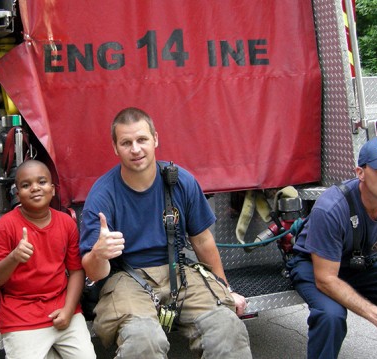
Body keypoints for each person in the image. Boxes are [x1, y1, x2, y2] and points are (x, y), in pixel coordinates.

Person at [79, 107, 252, 358]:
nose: (136, 149)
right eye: (126, 143)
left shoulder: (181, 181)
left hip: (178, 269)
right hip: (125, 277)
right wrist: (99, 254)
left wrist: (225, 287)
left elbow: (202, 240)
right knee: (143, 341)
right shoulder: (102, 194)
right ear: (116, 148)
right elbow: (93, 272)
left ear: (155, 139)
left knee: (227, 329)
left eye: (142, 140)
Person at [287, 136, 377, 358]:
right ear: (360, 173)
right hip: (315, 265)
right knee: (331, 316)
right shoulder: (331, 207)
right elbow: (326, 279)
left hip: (359, 263)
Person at [0, 160, 96, 359]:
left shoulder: (66, 223)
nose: (35, 188)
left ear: (52, 190)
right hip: (22, 317)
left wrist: (68, 310)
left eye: (41, 182)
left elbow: (76, 271)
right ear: (17, 195)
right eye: (26, 185)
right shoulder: (4, 227)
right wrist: (13, 257)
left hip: (63, 309)